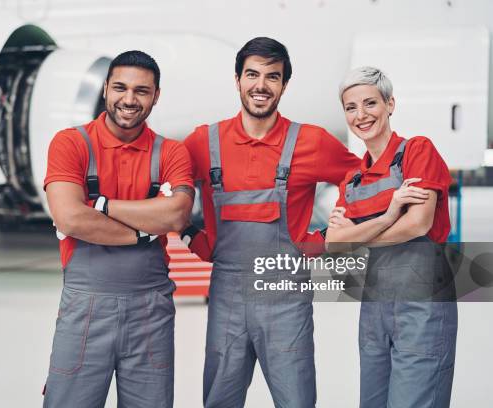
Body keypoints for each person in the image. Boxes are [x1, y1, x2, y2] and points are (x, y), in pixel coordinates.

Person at [182, 37, 361, 408]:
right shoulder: (204, 141)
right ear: (237, 80)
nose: (261, 85)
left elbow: (360, 178)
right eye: (252, 74)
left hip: (285, 297)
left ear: (284, 85)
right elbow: (168, 188)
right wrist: (192, 238)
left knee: (296, 400)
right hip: (226, 296)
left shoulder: (311, 141)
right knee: (219, 400)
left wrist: (329, 234)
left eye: (272, 77)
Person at [42, 50, 194, 408]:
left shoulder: (172, 153)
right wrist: (142, 231)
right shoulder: (71, 143)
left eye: (142, 91)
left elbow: (175, 216)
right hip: (84, 309)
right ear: (106, 88)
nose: (129, 99)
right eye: (120, 88)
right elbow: (70, 218)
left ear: (156, 96)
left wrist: (102, 205)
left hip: (150, 313)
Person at [326, 66, 457, 408]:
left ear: (390, 104)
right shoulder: (353, 180)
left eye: (370, 103)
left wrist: (355, 234)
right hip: (374, 307)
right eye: (351, 107)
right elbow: (333, 246)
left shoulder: (417, 151)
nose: (361, 115)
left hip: (422, 303)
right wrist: (388, 215)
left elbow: (417, 225)